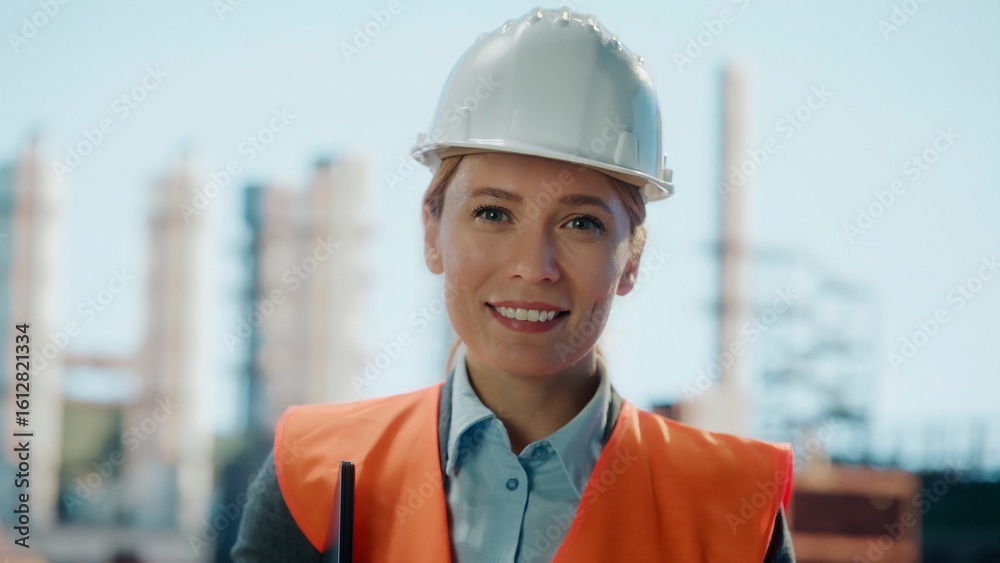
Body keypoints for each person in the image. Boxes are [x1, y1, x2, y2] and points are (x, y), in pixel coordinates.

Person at [232, 7, 795, 562]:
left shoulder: (732, 511)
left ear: (632, 259)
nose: (534, 266)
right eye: (494, 214)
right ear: (432, 231)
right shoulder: (313, 477)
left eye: (582, 224)